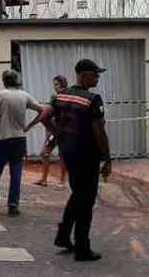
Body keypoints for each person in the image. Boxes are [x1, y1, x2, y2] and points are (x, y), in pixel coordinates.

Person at [52, 59, 112, 262]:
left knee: (78, 194)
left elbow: (46, 116)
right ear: (84, 75)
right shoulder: (92, 99)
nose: (97, 78)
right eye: (95, 74)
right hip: (87, 156)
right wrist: (107, 158)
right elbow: (100, 132)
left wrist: (57, 137)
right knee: (86, 201)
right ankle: (82, 248)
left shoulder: (62, 95)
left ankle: (63, 235)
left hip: (68, 153)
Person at [0, 70, 43, 216]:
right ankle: (13, 205)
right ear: (16, 80)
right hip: (19, 139)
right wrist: (29, 126)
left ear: (4, 81)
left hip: (2, 139)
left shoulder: (0, 95)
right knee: (16, 173)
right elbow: (42, 110)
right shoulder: (25, 95)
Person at [25, 75, 69, 188]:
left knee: (63, 155)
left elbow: (44, 114)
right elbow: (43, 113)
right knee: (44, 153)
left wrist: (29, 126)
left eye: (56, 85)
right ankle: (44, 179)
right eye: (54, 85)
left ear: (63, 84)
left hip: (64, 132)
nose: (54, 87)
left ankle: (62, 181)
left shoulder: (66, 98)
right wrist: (30, 126)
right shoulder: (55, 98)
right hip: (54, 132)